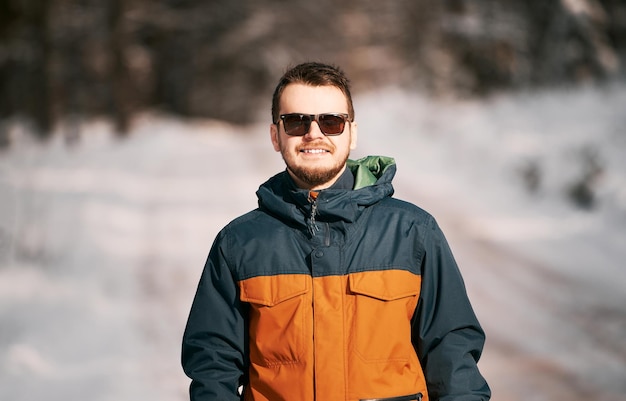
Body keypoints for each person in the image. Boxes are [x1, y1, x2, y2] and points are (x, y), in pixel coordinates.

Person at [181, 62, 491, 401]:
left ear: (351, 133)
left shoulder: (412, 232)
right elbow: (213, 366)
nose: (314, 133)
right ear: (275, 135)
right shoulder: (240, 242)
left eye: (331, 121)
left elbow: (452, 355)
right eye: (296, 121)